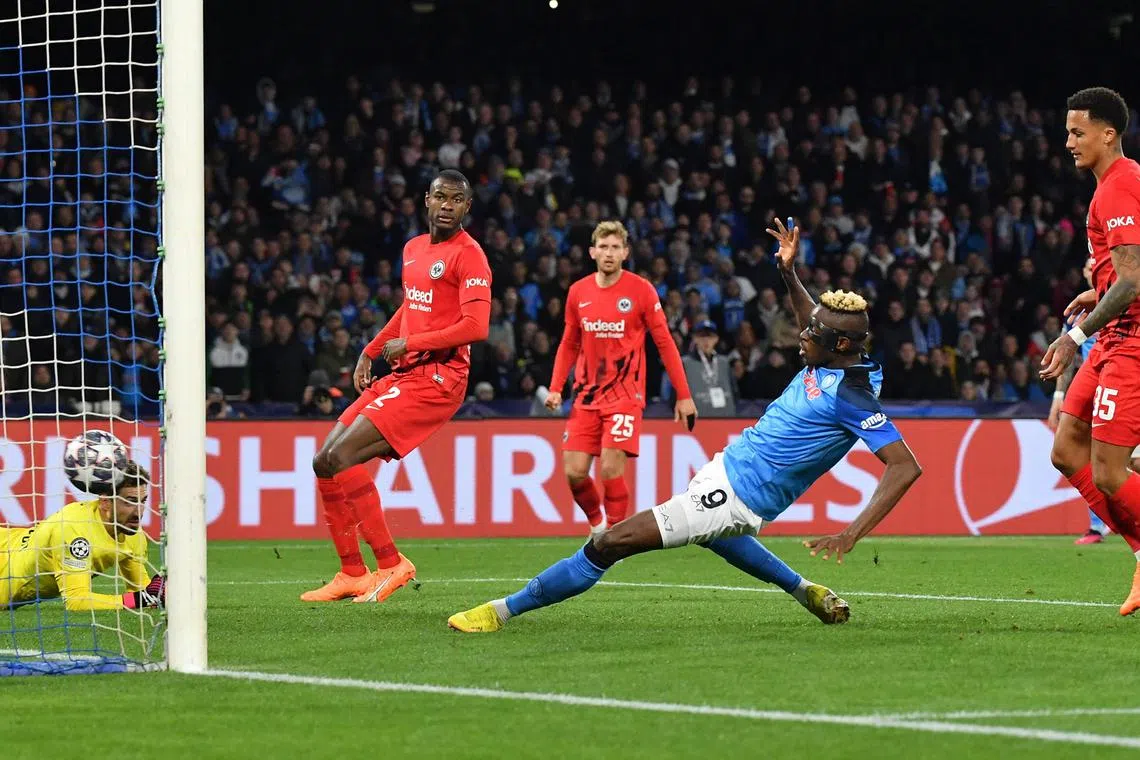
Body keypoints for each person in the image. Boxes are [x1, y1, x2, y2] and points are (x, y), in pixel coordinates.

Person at [448, 217, 923, 633]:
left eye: (813, 335)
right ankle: (806, 591)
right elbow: (810, 317)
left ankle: (501, 611)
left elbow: (904, 466)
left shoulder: (854, 397)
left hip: (737, 498)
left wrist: (852, 532)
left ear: (840, 346)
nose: (801, 336)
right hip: (726, 467)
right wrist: (787, 270)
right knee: (722, 542)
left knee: (609, 542)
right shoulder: (835, 357)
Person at [302, 170, 492, 603]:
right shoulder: (413, 250)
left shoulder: (470, 256)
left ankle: (391, 563)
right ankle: (352, 571)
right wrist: (372, 349)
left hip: (440, 379)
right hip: (406, 371)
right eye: (440, 196)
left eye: (456, 200)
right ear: (426, 200)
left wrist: (411, 344)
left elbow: (476, 326)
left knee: (341, 455)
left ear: (467, 208)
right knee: (324, 462)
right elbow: (412, 306)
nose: (447, 205)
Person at [1041, 87, 1140, 614]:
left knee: (1108, 471)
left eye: (1078, 132)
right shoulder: (1115, 185)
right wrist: (1098, 291)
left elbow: (1133, 279)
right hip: (1117, 332)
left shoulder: (1120, 186)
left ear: (1108, 133)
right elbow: (1124, 275)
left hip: (1131, 341)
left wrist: (1074, 336)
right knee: (1065, 449)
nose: (1069, 142)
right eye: (1067, 132)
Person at [545, 221, 696, 535]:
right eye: (603, 247)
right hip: (585, 396)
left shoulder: (641, 290)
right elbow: (569, 343)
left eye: (615, 247)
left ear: (625, 252)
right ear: (592, 252)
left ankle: (614, 537)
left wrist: (683, 394)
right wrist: (556, 387)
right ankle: (598, 527)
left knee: (611, 470)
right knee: (574, 473)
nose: (609, 253)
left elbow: (665, 342)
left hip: (625, 396)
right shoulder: (578, 292)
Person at [1, 461, 164, 611]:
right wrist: (142, 598)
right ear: (105, 502)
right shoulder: (75, 529)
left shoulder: (133, 534)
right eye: (130, 501)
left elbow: (144, 593)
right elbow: (76, 601)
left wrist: (164, 593)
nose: (139, 511)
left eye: (143, 501)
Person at [1048, 257, 1117, 545]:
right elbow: (1068, 355)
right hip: (1092, 389)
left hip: (1120, 385)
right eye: (1090, 267)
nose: (1095, 270)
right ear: (1085, 272)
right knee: (1083, 456)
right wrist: (1059, 395)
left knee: (1122, 461)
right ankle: (1097, 525)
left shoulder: (1122, 301)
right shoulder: (1077, 310)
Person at [682, 320, 737, 417]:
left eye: (710, 336)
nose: (706, 340)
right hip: (698, 419)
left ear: (716, 339)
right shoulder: (686, 363)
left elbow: (734, 392)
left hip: (726, 418)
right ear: (695, 338)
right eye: (702, 336)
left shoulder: (724, 362)